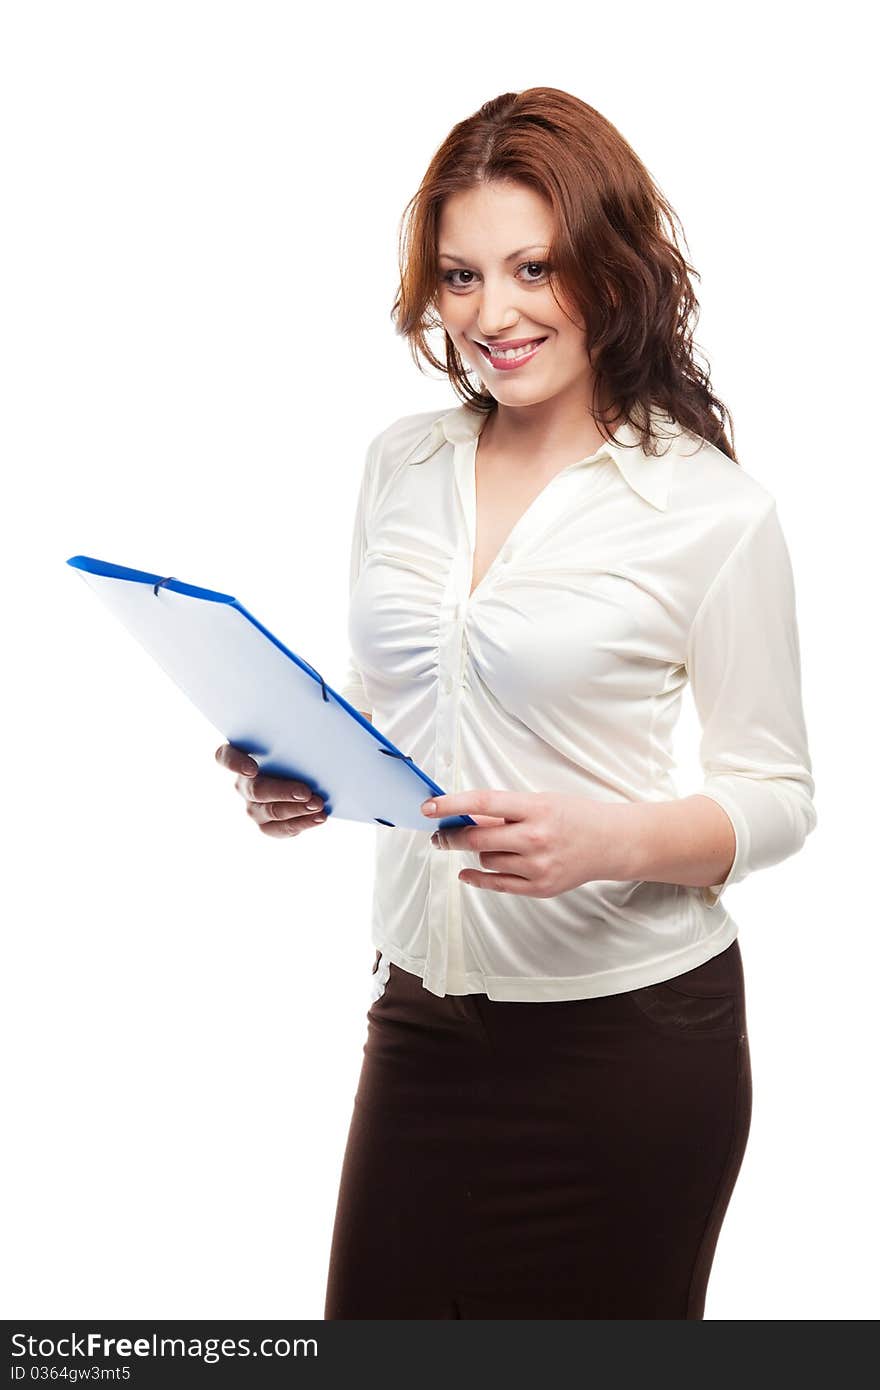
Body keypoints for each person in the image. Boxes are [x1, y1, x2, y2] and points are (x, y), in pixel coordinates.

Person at [215, 87, 817, 1319]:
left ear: (610, 266)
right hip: (422, 1020)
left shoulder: (711, 510)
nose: (493, 314)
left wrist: (608, 839)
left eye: (534, 266)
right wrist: (309, 767)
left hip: (633, 1048)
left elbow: (778, 795)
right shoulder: (402, 460)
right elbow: (403, 699)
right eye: (460, 276)